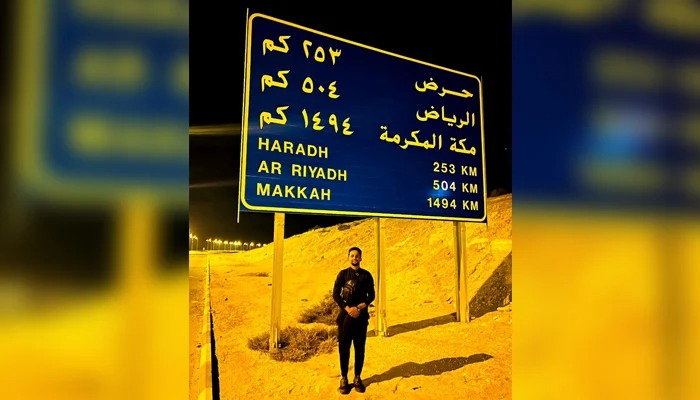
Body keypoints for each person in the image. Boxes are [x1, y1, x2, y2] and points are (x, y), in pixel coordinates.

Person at [332, 246, 375, 394]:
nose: (354, 258)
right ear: (348, 257)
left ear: (361, 258)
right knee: (344, 349)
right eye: (352, 255)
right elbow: (335, 294)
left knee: (359, 349)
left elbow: (372, 295)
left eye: (357, 256)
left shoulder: (366, 275)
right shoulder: (343, 274)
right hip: (345, 317)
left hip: (361, 317)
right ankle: (344, 378)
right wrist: (347, 308)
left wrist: (363, 305)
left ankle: (357, 378)